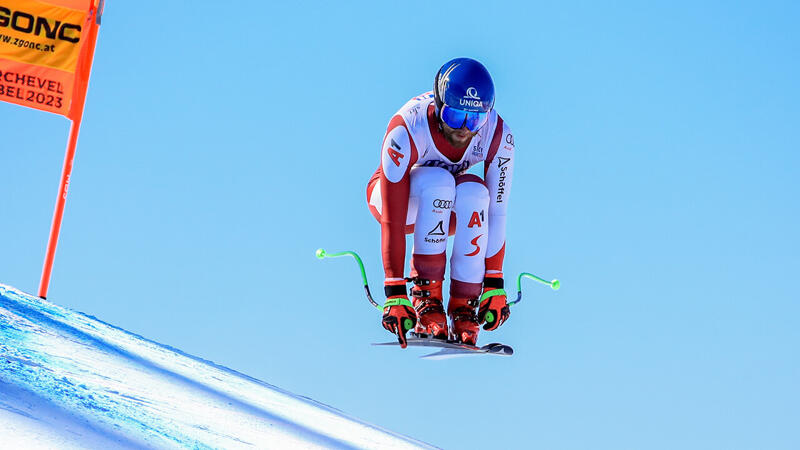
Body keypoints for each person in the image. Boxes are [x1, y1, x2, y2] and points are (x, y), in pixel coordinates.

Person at [366, 57, 515, 348]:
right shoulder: (408, 126)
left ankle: (463, 307)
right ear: (438, 105)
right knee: (440, 182)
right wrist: (394, 288)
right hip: (394, 203)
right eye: (455, 117)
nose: (464, 129)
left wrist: (494, 283)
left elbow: (497, 212)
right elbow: (393, 219)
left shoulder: (498, 135)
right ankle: (427, 299)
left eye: (475, 120)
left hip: (442, 212)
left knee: (476, 193)